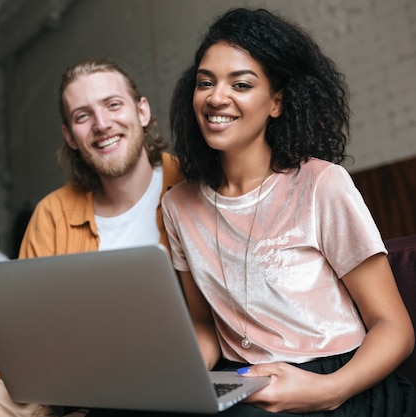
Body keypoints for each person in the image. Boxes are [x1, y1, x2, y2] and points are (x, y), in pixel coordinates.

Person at [161, 7, 415, 416]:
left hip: (340, 380)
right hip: (245, 378)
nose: (215, 97)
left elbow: (395, 328)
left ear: (276, 102)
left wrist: (328, 389)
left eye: (240, 84)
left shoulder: (321, 184)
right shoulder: (177, 206)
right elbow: (203, 325)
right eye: (204, 82)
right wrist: (172, 380)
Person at [0, 58, 184, 417]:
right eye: (83, 116)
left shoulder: (193, 184)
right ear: (70, 136)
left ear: (142, 111)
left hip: (159, 380)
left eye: (113, 104)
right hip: (52, 383)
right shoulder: (52, 213)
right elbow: (24, 333)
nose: (102, 124)